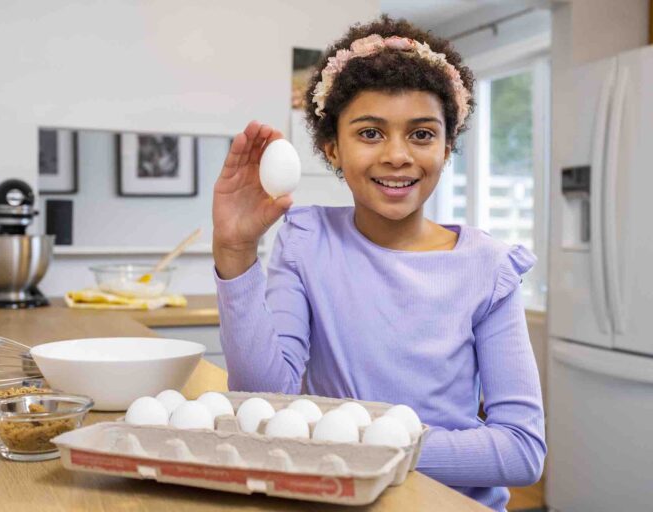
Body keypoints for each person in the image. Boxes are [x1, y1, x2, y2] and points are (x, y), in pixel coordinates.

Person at [211, 15, 545, 512]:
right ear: (332, 149)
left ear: (447, 148)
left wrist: (356, 446)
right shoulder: (306, 240)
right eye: (370, 133)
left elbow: (520, 452)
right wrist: (236, 252)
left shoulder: (488, 268)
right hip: (333, 501)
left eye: (422, 134)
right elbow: (263, 403)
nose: (397, 155)